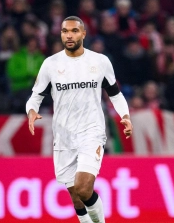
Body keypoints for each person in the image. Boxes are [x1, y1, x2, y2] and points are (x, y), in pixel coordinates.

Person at [26, 16, 132, 223]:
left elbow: (115, 94)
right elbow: (35, 96)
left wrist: (125, 116)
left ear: (83, 34)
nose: (69, 35)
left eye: (74, 31)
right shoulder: (51, 64)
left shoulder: (100, 61)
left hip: (91, 132)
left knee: (84, 188)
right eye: (65, 31)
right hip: (64, 136)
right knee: (76, 198)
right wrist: (31, 110)